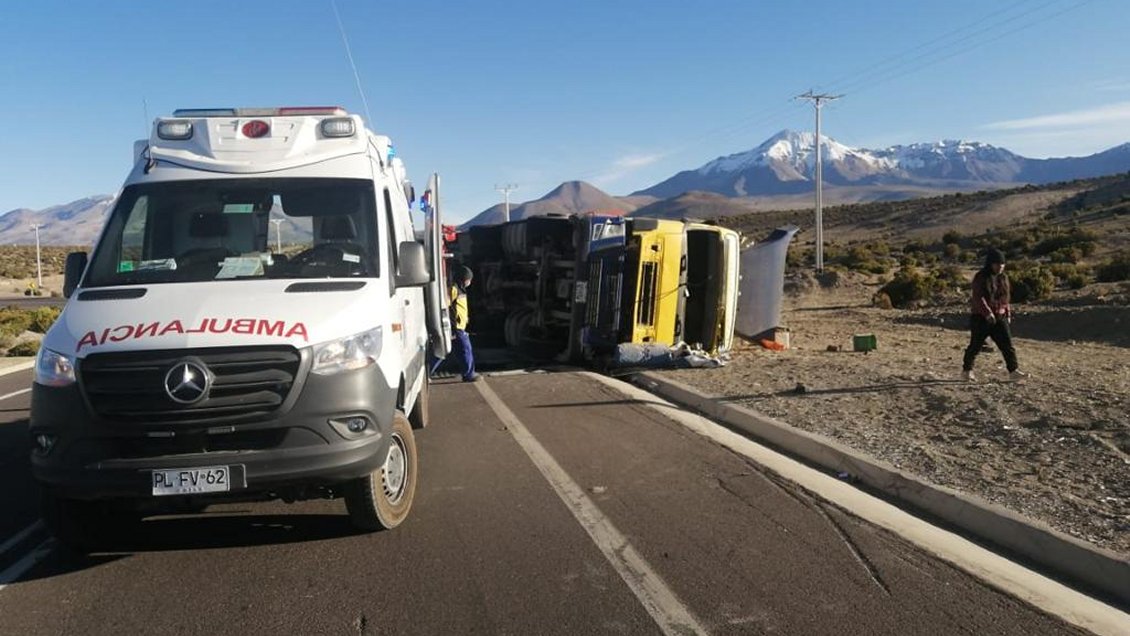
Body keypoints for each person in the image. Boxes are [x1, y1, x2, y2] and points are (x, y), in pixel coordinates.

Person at [962, 248, 1027, 381]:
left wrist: (1007, 313)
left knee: (1007, 345)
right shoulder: (981, 277)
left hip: (999, 316)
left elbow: (1005, 298)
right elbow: (978, 298)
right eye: (997, 264)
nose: (1000, 267)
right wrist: (987, 313)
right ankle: (967, 371)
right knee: (976, 345)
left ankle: (1013, 371)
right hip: (981, 318)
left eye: (1002, 264)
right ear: (990, 264)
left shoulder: (1003, 278)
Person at [448, 265, 481, 382]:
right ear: (464, 279)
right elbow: (447, 305)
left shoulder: (460, 289)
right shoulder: (454, 289)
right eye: (469, 279)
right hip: (455, 327)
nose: (470, 282)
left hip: (459, 326)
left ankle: (428, 371)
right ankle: (469, 374)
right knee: (465, 349)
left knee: (453, 350)